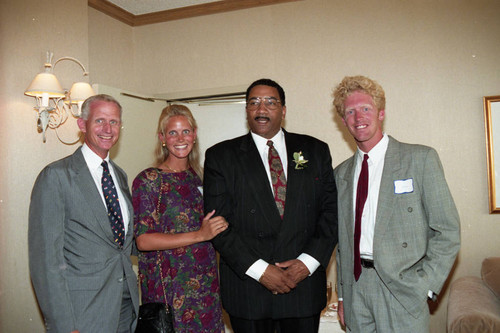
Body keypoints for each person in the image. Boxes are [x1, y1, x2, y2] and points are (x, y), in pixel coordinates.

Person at [203, 78, 338, 333]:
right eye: (253, 102)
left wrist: (307, 263)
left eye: (270, 102)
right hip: (249, 291)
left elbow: (330, 213)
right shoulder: (221, 156)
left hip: (303, 288)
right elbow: (217, 224)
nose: (261, 109)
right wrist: (261, 271)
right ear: (246, 111)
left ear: (283, 110)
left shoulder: (315, 150)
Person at [332, 75, 461, 332]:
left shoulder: (420, 159)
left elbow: (447, 230)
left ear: (381, 113)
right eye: (350, 112)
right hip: (357, 290)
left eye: (366, 109)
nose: (359, 118)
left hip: (402, 288)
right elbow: (343, 243)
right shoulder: (340, 174)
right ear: (343, 120)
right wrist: (344, 296)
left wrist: (424, 284)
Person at [28, 94, 139, 333]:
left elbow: (121, 242)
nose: (108, 129)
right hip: (83, 314)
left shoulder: (119, 175)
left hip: (125, 307)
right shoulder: (56, 176)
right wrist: (64, 325)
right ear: (82, 124)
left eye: (114, 122)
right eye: (99, 121)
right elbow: (46, 262)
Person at [132, 105, 227, 333]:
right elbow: (143, 241)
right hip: (171, 292)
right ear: (162, 138)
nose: (180, 138)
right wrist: (199, 235)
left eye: (186, 131)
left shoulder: (202, 178)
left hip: (206, 287)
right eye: (172, 133)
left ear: (194, 134)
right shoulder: (149, 180)